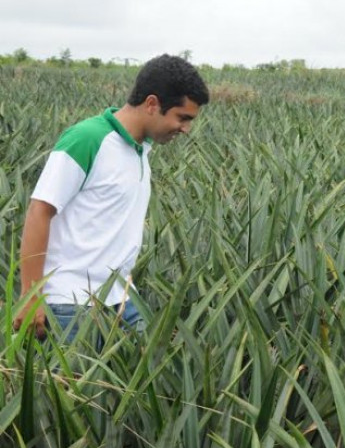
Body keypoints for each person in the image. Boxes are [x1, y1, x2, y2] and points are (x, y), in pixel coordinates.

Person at [13, 54, 209, 342]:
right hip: (70, 304)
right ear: (152, 104)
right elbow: (39, 211)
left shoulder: (141, 150)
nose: (186, 129)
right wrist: (31, 295)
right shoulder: (88, 139)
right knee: (74, 386)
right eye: (182, 118)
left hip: (121, 299)